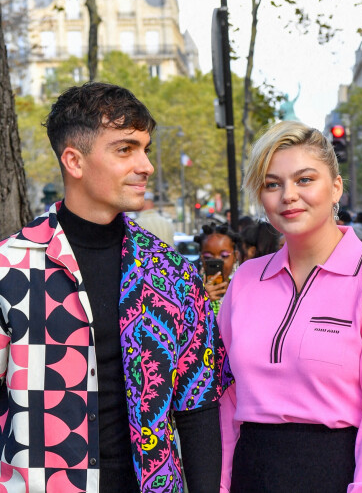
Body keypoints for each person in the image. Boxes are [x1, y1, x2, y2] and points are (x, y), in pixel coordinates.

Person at [0, 82, 232, 493]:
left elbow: (198, 409)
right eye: (125, 149)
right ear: (74, 160)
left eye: (145, 148)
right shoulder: (10, 267)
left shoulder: (172, 273)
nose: (146, 165)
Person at [218, 121, 362, 491]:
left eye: (305, 179)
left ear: (336, 187)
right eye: (272, 184)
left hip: (336, 473)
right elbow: (226, 400)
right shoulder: (245, 280)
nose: (288, 196)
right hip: (250, 473)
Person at [196, 223, 240, 314]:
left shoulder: (243, 287)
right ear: (201, 258)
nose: (216, 261)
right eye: (208, 257)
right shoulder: (191, 288)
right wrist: (200, 301)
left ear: (235, 256)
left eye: (224, 256)